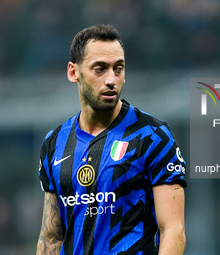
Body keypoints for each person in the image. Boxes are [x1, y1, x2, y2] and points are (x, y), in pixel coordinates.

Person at [36, 24, 186, 255]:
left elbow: (173, 230)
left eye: (118, 69)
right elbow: (51, 235)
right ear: (73, 72)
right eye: (100, 69)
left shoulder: (153, 136)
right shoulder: (54, 143)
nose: (111, 80)